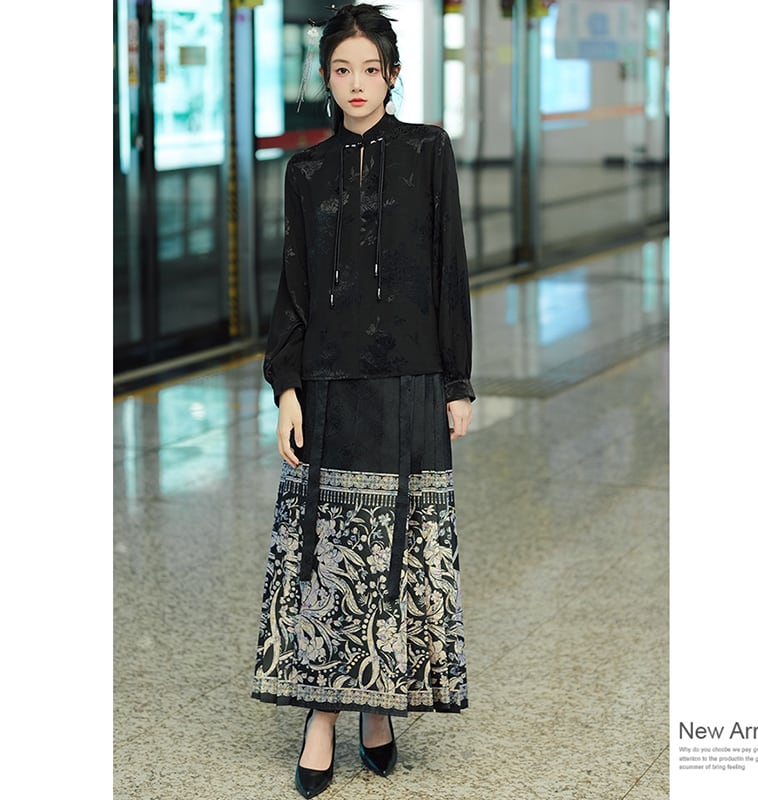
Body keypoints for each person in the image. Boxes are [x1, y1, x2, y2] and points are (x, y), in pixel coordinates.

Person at [251, 5, 474, 797]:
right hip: (331, 387)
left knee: (396, 557)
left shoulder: (428, 151)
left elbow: (449, 269)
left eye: (369, 70)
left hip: (411, 382)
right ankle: (322, 718)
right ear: (325, 77)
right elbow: (294, 290)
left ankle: (378, 710)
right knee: (328, 557)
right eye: (341, 70)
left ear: (392, 75)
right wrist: (286, 389)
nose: (356, 84)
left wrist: (457, 382)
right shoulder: (306, 171)